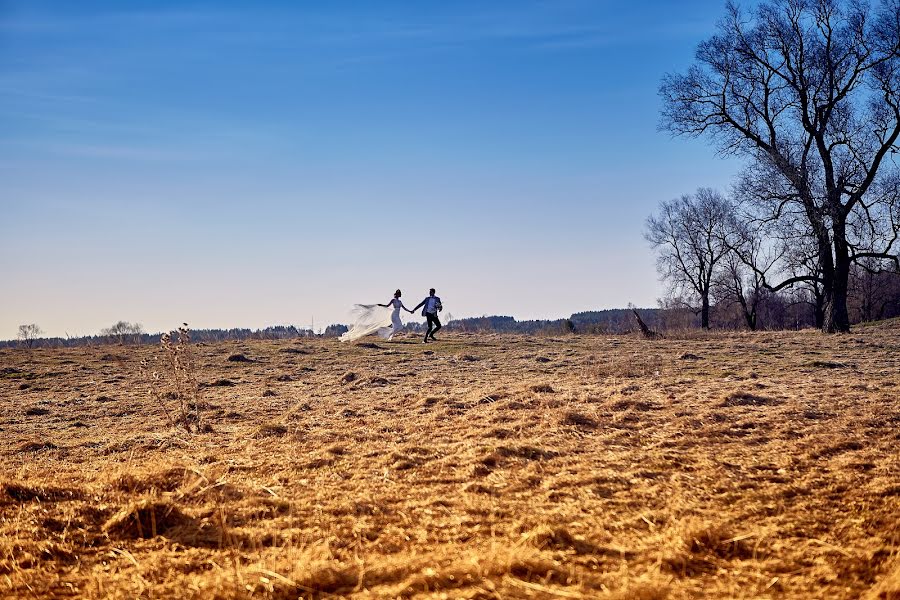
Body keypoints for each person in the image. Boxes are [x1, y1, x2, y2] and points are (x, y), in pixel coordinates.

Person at [339, 289, 413, 343]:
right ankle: (389, 336)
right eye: (399, 294)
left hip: (397, 315)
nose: (399, 295)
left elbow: (404, 308)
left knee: (400, 327)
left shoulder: (400, 302)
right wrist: (381, 305)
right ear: (397, 294)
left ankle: (388, 334)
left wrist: (410, 311)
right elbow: (387, 305)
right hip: (393, 315)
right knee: (397, 327)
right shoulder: (393, 300)